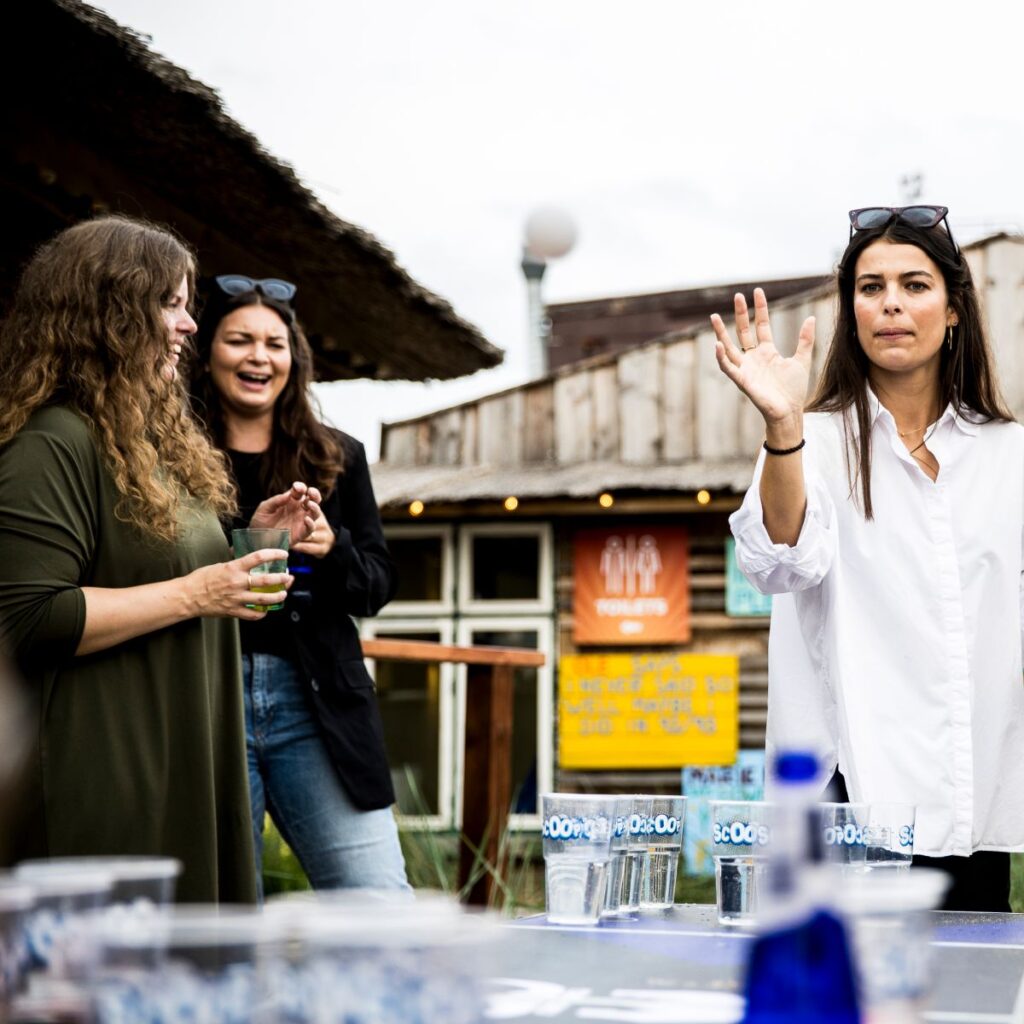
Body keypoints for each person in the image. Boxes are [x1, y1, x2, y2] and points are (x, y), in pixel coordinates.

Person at [0, 216, 322, 903]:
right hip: (108, 776)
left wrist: (250, 541)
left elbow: (163, 564)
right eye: (169, 304)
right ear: (107, 313)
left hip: (190, 763)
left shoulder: (151, 444)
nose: (188, 326)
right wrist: (198, 592)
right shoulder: (53, 441)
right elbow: (29, 616)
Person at [712, 205, 1024, 912]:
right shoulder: (813, 442)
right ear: (851, 311)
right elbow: (779, 563)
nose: (890, 304)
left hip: (969, 803)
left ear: (953, 310)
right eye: (870, 287)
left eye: (914, 285)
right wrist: (783, 426)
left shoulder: (1011, 455)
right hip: (845, 799)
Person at [187, 274, 409, 895]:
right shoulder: (169, 454)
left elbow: (377, 584)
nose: (259, 356)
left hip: (318, 703)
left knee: (379, 903)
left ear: (294, 359)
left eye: (274, 344)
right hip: (206, 696)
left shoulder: (338, 455)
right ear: (208, 351)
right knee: (225, 914)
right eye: (239, 340)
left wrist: (332, 549)